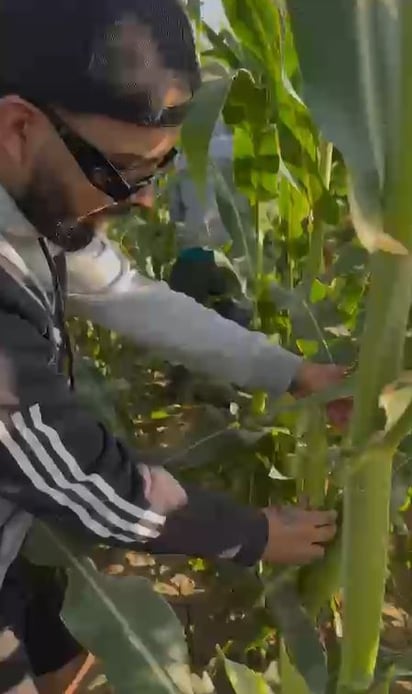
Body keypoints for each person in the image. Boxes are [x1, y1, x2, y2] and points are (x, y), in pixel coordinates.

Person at [0, 0, 342, 691]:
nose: (146, 203)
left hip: (17, 518)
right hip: (29, 491)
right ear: (17, 127)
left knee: (66, 651)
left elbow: (134, 297)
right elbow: (72, 470)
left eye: (155, 173)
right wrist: (249, 534)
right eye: (122, 170)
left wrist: (293, 371)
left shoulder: (33, 208)